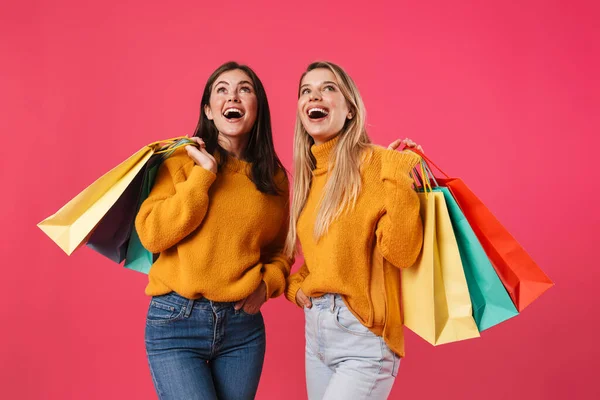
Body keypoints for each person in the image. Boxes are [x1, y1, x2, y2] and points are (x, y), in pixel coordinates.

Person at [136, 61, 291, 400]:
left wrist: (267, 285)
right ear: (208, 110)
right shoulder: (181, 161)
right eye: (221, 89)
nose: (232, 96)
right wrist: (202, 176)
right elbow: (152, 234)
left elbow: (281, 251)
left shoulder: (274, 178)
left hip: (242, 329)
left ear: (256, 107)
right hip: (176, 320)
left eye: (244, 89)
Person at [285, 61, 424, 399]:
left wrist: (397, 177)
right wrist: (296, 285)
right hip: (316, 332)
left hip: (362, 335)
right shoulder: (310, 175)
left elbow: (403, 252)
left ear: (349, 109)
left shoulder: (378, 163)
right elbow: (329, 255)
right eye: (306, 90)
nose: (314, 95)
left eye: (328, 88)